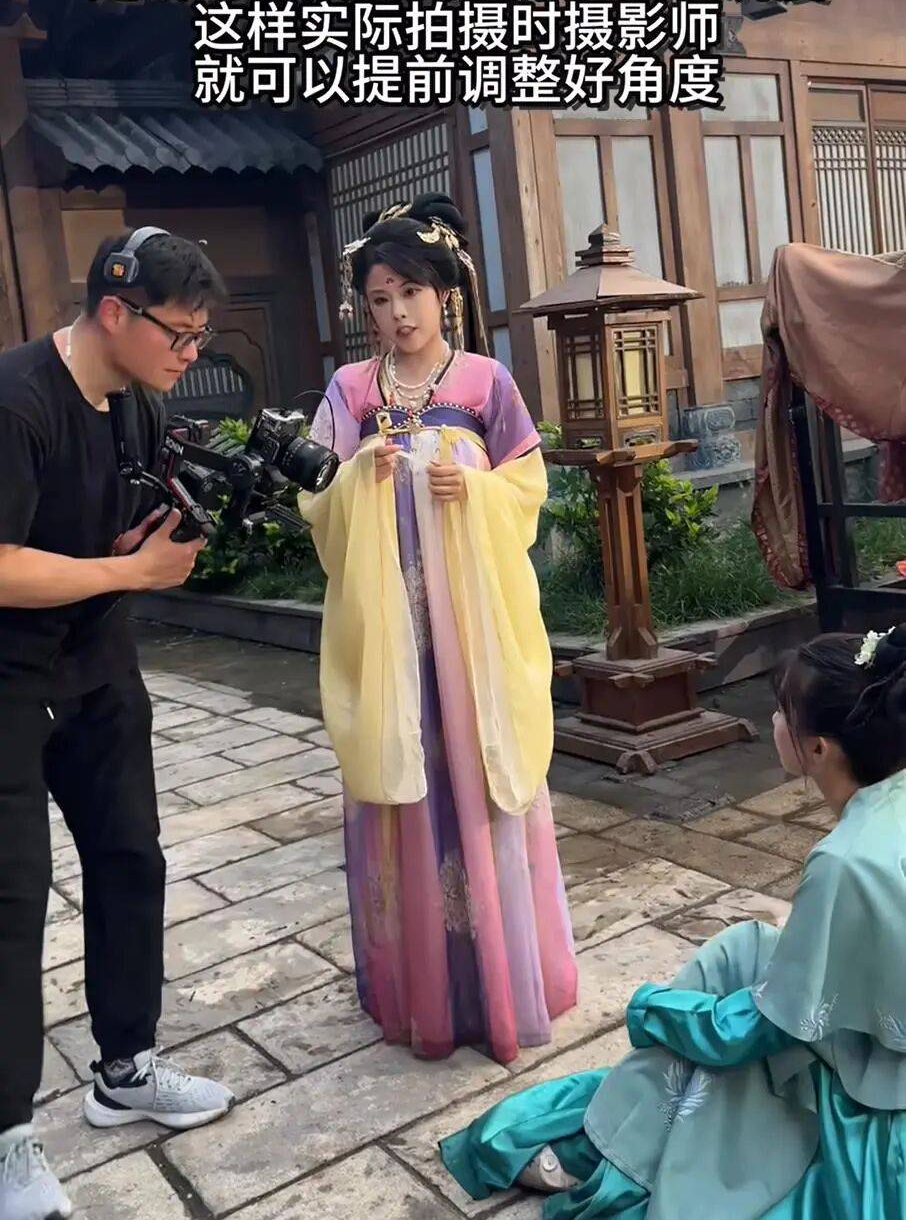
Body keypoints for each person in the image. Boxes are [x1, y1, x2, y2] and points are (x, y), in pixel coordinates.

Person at [439, 624, 906, 1218]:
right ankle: (606, 1140)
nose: (772, 723)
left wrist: (653, 1009)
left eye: (781, 712)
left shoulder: (843, 862)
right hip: (874, 1030)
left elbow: (768, 1028)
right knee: (740, 950)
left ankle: (606, 1153)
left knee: (709, 1049)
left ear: (817, 749)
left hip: (876, 1087)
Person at [299, 193, 577, 1065]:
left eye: (411, 292)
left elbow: (528, 489)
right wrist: (359, 476)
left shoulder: (487, 382)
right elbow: (314, 496)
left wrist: (480, 488)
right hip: (392, 637)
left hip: (471, 633)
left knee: (479, 764)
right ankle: (421, 989)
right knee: (406, 771)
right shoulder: (350, 391)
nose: (397, 313)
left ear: (444, 294)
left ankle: (504, 980)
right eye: (379, 299)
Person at [0, 229, 237, 1220]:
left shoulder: (139, 402)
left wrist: (146, 544)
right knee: (13, 898)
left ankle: (126, 1068)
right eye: (179, 335)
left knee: (131, 858)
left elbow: (106, 530)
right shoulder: (17, 401)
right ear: (114, 310)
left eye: (198, 337)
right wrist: (131, 570)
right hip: (8, 681)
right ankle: (7, 1138)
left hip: (98, 667)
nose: (190, 353)